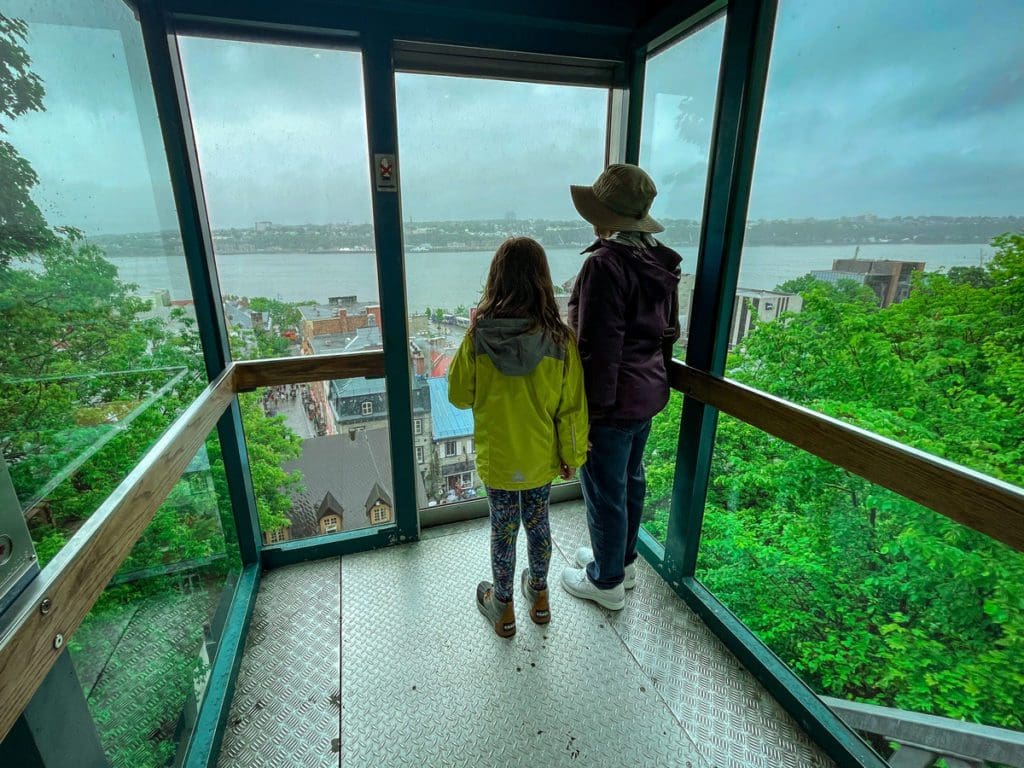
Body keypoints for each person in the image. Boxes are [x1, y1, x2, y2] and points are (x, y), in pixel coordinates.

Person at [449, 237, 589, 637]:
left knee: (503, 530)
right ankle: (540, 600)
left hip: (499, 461)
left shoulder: (478, 339)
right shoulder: (561, 341)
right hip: (540, 458)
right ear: (542, 281)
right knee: (539, 524)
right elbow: (572, 408)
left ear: (496, 280)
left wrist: (473, 334)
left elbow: (459, 396)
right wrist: (572, 456)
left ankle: (503, 607)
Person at [559, 164, 681, 611]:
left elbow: (596, 348)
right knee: (631, 480)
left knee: (605, 489)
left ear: (604, 213)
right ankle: (623, 561)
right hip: (647, 394)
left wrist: (589, 413)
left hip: (611, 401)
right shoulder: (660, 262)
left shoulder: (604, 266)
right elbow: (670, 332)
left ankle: (606, 580)